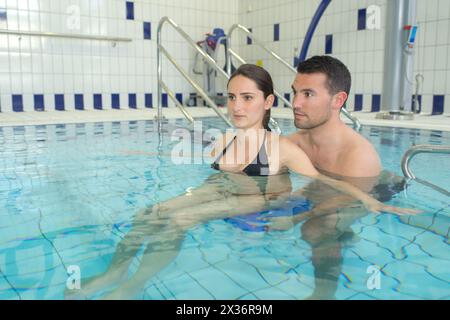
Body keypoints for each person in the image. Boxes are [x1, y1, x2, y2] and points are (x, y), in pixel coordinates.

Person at [66, 64, 419, 300]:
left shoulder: (282, 148)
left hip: (255, 199)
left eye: (247, 98)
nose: (236, 106)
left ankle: (132, 287)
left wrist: (370, 200)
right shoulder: (224, 140)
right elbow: (212, 177)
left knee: (179, 220)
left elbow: (321, 180)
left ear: (267, 102)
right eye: (232, 97)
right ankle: (110, 276)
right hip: (219, 189)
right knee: (150, 212)